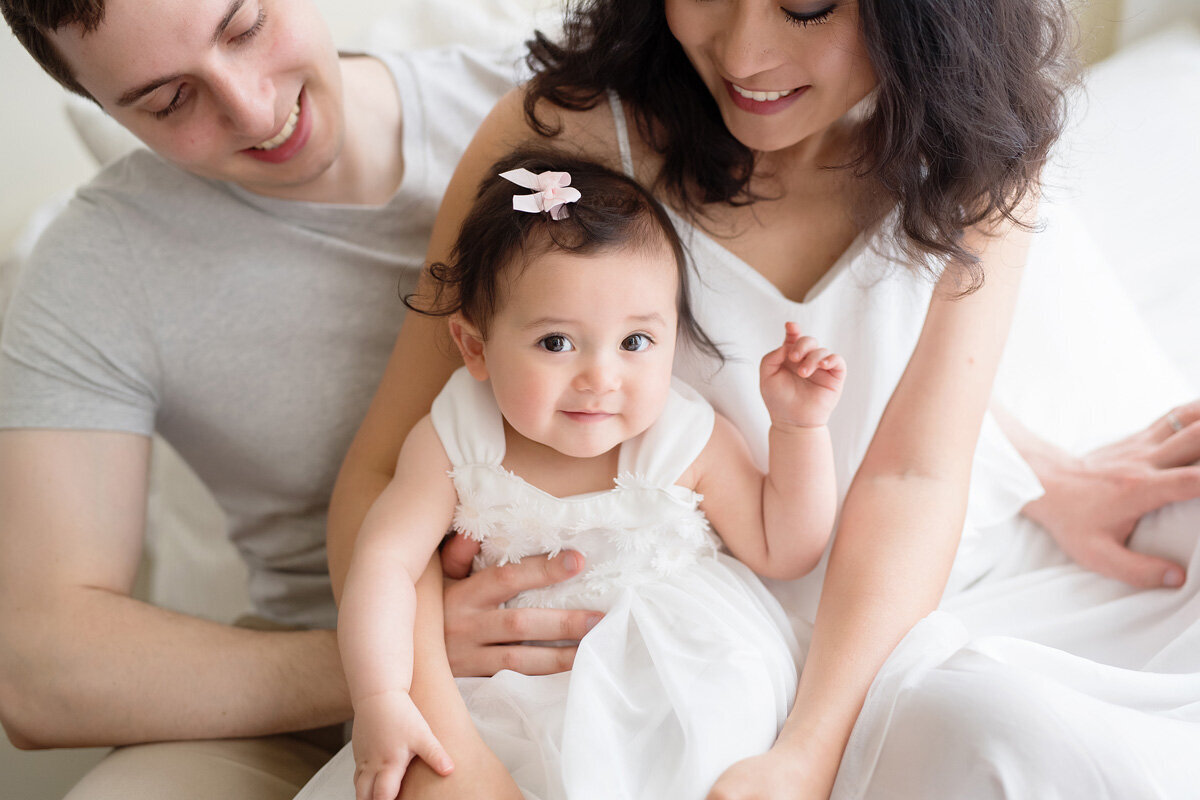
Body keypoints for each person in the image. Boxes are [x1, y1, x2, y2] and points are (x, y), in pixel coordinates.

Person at [320, 1, 1200, 798]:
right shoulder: (566, 141)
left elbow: (915, 475)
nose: (743, 51)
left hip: (910, 601)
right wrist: (431, 721)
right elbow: (385, 470)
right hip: (665, 644)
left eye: (807, 7)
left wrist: (807, 755)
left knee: (1020, 731)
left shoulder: (980, 155)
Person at [0, 1, 586, 797]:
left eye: (244, 28)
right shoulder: (101, 264)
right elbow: (39, 669)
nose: (254, 108)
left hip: (601, 616)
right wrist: (394, 654)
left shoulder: (556, 110)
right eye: (169, 101)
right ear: (100, 106)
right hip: (313, 696)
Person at [303, 148, 846, 800]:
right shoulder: (457, 440)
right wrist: (382, 697)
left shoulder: (681, 438)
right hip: (511, 691)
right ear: (475, 349)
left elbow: (785, 546)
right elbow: (382, 565)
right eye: (556, 343)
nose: (601, 378)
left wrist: (798, 429)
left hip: (676, 675)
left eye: (635, 342)